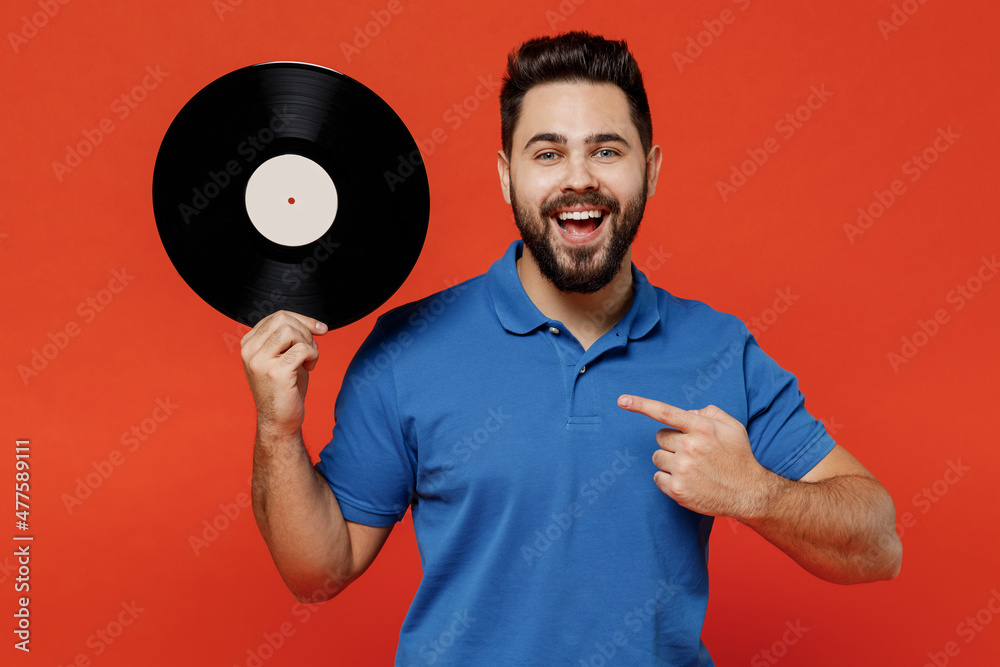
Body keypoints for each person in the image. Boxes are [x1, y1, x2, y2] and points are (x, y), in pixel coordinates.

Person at [240, 31, 902, 666]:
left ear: (652, 167)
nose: (578, 179)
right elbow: (317, 573)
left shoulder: (719, 348)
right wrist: (278, 427)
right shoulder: (408, 348)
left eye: (608, 151)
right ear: (506, 176)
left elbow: (878, 546)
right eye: (547, 153)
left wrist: (756, 492)